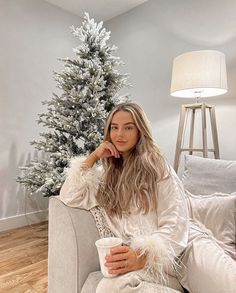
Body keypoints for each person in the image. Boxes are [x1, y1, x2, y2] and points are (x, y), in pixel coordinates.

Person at [59, 102, 236, 293]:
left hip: (186, 251)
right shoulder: (104, 178)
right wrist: (94, 156)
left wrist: (142, 256)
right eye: (114, 127)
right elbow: (69, 195)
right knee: (107, 287)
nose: (119, 134)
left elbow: (176, 221)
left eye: (128, 127)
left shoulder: (156, 166)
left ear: (139, 131)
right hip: (153, 268)